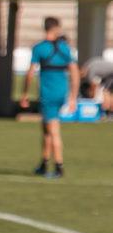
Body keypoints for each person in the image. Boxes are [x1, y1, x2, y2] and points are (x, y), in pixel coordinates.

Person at [20, 17, 79, 178]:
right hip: (62, 93)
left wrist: (25, 93)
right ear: (56, 28)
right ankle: (44, 163)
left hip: (48, 94)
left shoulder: (39, 48)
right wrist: (73, 96)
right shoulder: (65, 48)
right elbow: (74, 73)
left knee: (53, 130)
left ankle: (59, 166)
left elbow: (30, 74)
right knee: (46, 129)